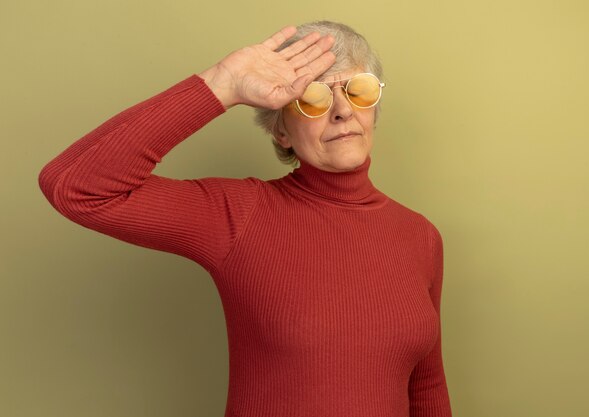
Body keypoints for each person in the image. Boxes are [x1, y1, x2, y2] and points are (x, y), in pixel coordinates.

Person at [39, 20, 453, 417]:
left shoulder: (420, 236)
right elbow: (75, 186)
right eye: (312, 98)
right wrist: (221, 85)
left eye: (358, 90)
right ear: (281, 132)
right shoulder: (240, 215)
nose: (342, 111)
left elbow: (427, 386)